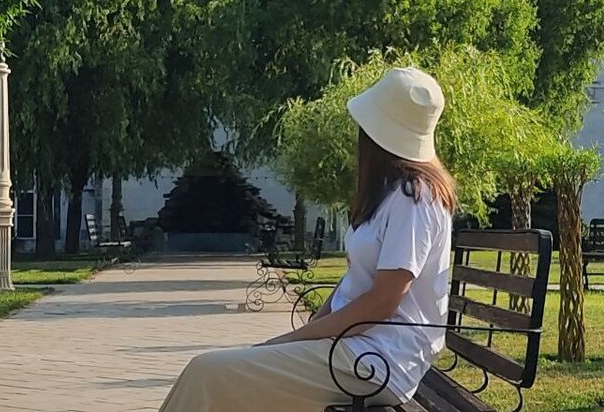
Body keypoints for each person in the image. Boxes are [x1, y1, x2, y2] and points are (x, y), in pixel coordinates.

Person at [159, 66, 456, 411]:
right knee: (223, 375)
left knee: (208, 373)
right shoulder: (394, 193)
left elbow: (382, 302)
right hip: (356, 349)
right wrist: (314, 326)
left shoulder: (414, 198)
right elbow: (357, 279)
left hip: (377, 361)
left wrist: (292, 339)